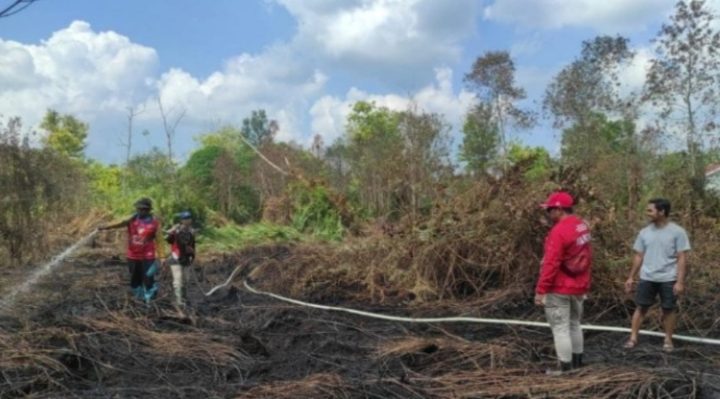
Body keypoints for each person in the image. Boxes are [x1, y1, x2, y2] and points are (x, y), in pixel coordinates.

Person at [534, 191, 592, 375]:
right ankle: (577, 364)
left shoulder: (559, 231)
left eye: (550, 210)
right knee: (575, 323)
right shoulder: (582, 225)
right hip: (579, 286)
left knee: (560, 329)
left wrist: (541, 290)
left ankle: (565, 370)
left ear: (559, 209)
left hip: (559, 287)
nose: (548, 214)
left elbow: (551, 263)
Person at [624, 198, 690, 352]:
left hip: (668, 278)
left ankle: (668, 340)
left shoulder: (677, 232)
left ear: (662, 212)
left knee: (668, 309)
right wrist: (631, 277)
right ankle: (633, 338)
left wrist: (680, 282)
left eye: (650, 210)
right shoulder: (644, 232)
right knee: (641, 307)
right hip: (647, 277)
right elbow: (639, 256)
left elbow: (682, 257)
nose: (647, 213)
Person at [99, 197, 164, 303]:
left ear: (149, 210)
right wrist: (104, 227)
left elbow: (160, 240)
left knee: (148, 277)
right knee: (135, 278)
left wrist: (162, 256)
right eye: (139, 209)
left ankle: (150, 299)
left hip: (148, 255)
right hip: (133, 255)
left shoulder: (154, 222)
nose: (141, 211)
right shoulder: (131, 219)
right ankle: (139, 298)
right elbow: (118, 223)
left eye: (144, 209)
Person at [164, 211, 196, 307]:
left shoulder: (192, 232)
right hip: (176, 257)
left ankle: (184, 298)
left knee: (186, 279)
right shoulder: (176, 230)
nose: (187, 220)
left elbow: (193, 245)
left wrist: (193, 256)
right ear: (181, 220)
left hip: (187, 259)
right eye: (185, 219)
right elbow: (168, 239)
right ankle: (178, 301)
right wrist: (172, 231)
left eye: (189, 218)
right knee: (178, 279)